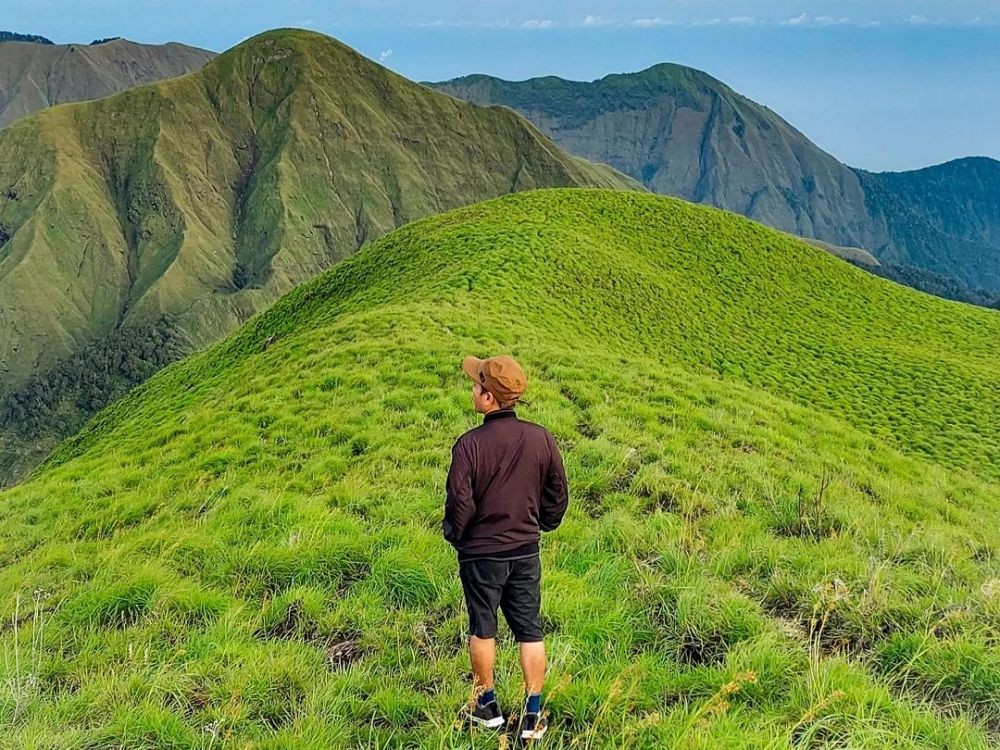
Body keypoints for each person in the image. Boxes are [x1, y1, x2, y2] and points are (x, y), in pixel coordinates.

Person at [443, 355, 569, 741]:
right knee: (530, 629)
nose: (472, 389)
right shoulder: (541, 438)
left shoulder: (468, 445)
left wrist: (457, 535)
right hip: (526, 551)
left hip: (481, 554)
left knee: (483, 628)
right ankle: (533, 715)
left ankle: (486, 707)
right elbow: (558, 493)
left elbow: (459, 501)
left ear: (488, 397)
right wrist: (542, 524)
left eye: (476, 384)